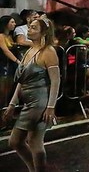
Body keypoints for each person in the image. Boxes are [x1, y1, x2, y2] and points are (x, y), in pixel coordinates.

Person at [2, 17, 60, 172]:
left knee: (33, 141)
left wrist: (50, 106)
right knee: (16, 141)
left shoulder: (49, 52)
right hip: (29, 101)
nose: (29, 29)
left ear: (44, 32)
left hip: (39, 102)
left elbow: (55, 81)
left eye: (34, 28)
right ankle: (35, 169)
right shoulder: (29, 50)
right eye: (30, 26)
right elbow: (21, 81)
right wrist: (12, 104)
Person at [0, 15, 21, 108]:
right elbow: (6, 50)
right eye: (12, 22)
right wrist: (17, 61)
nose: (14, 24)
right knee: (3, 90)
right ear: (5, 24)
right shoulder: (1, 36)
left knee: (9, 89)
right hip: (4, 66)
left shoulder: (10, 36)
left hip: (11, 67)